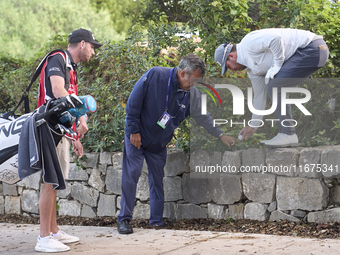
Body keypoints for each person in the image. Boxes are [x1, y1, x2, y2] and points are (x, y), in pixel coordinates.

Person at [117, 54, 236, 234]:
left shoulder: (191, 94)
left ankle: (156, 221)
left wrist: (221, 135)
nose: (195, 85)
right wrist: (133, 130)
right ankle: (124, 219)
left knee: (157, 180)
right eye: (194, 80)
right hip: (137, 137)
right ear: (182, 73)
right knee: (132, 173)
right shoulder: (156, 75)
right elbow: (133, 102)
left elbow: (203, 117)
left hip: (158, 144)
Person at [35, 28, 102, 252]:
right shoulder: (58, 58)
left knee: (56, 182)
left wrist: (75, 132)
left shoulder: (71, 68)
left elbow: (68, 103)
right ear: (82, 44)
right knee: (50, 181)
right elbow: (57, 90)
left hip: (59, 130)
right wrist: (81, 112)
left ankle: (53, 231)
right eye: (92, 47)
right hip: (47, 128)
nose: (93, 52)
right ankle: (43, 238)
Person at [214, 28, 329, 147]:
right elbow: (259, 95)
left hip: (312, 48)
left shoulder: (248, 43)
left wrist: (277, 64)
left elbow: (275, 38)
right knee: (276, 86)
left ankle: (288, 134)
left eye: (228, 67)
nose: (232, 71)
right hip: (310, 53)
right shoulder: (252, 70)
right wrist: (254, 125)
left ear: (231, 56)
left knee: (275, 85)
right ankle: (288, 134)